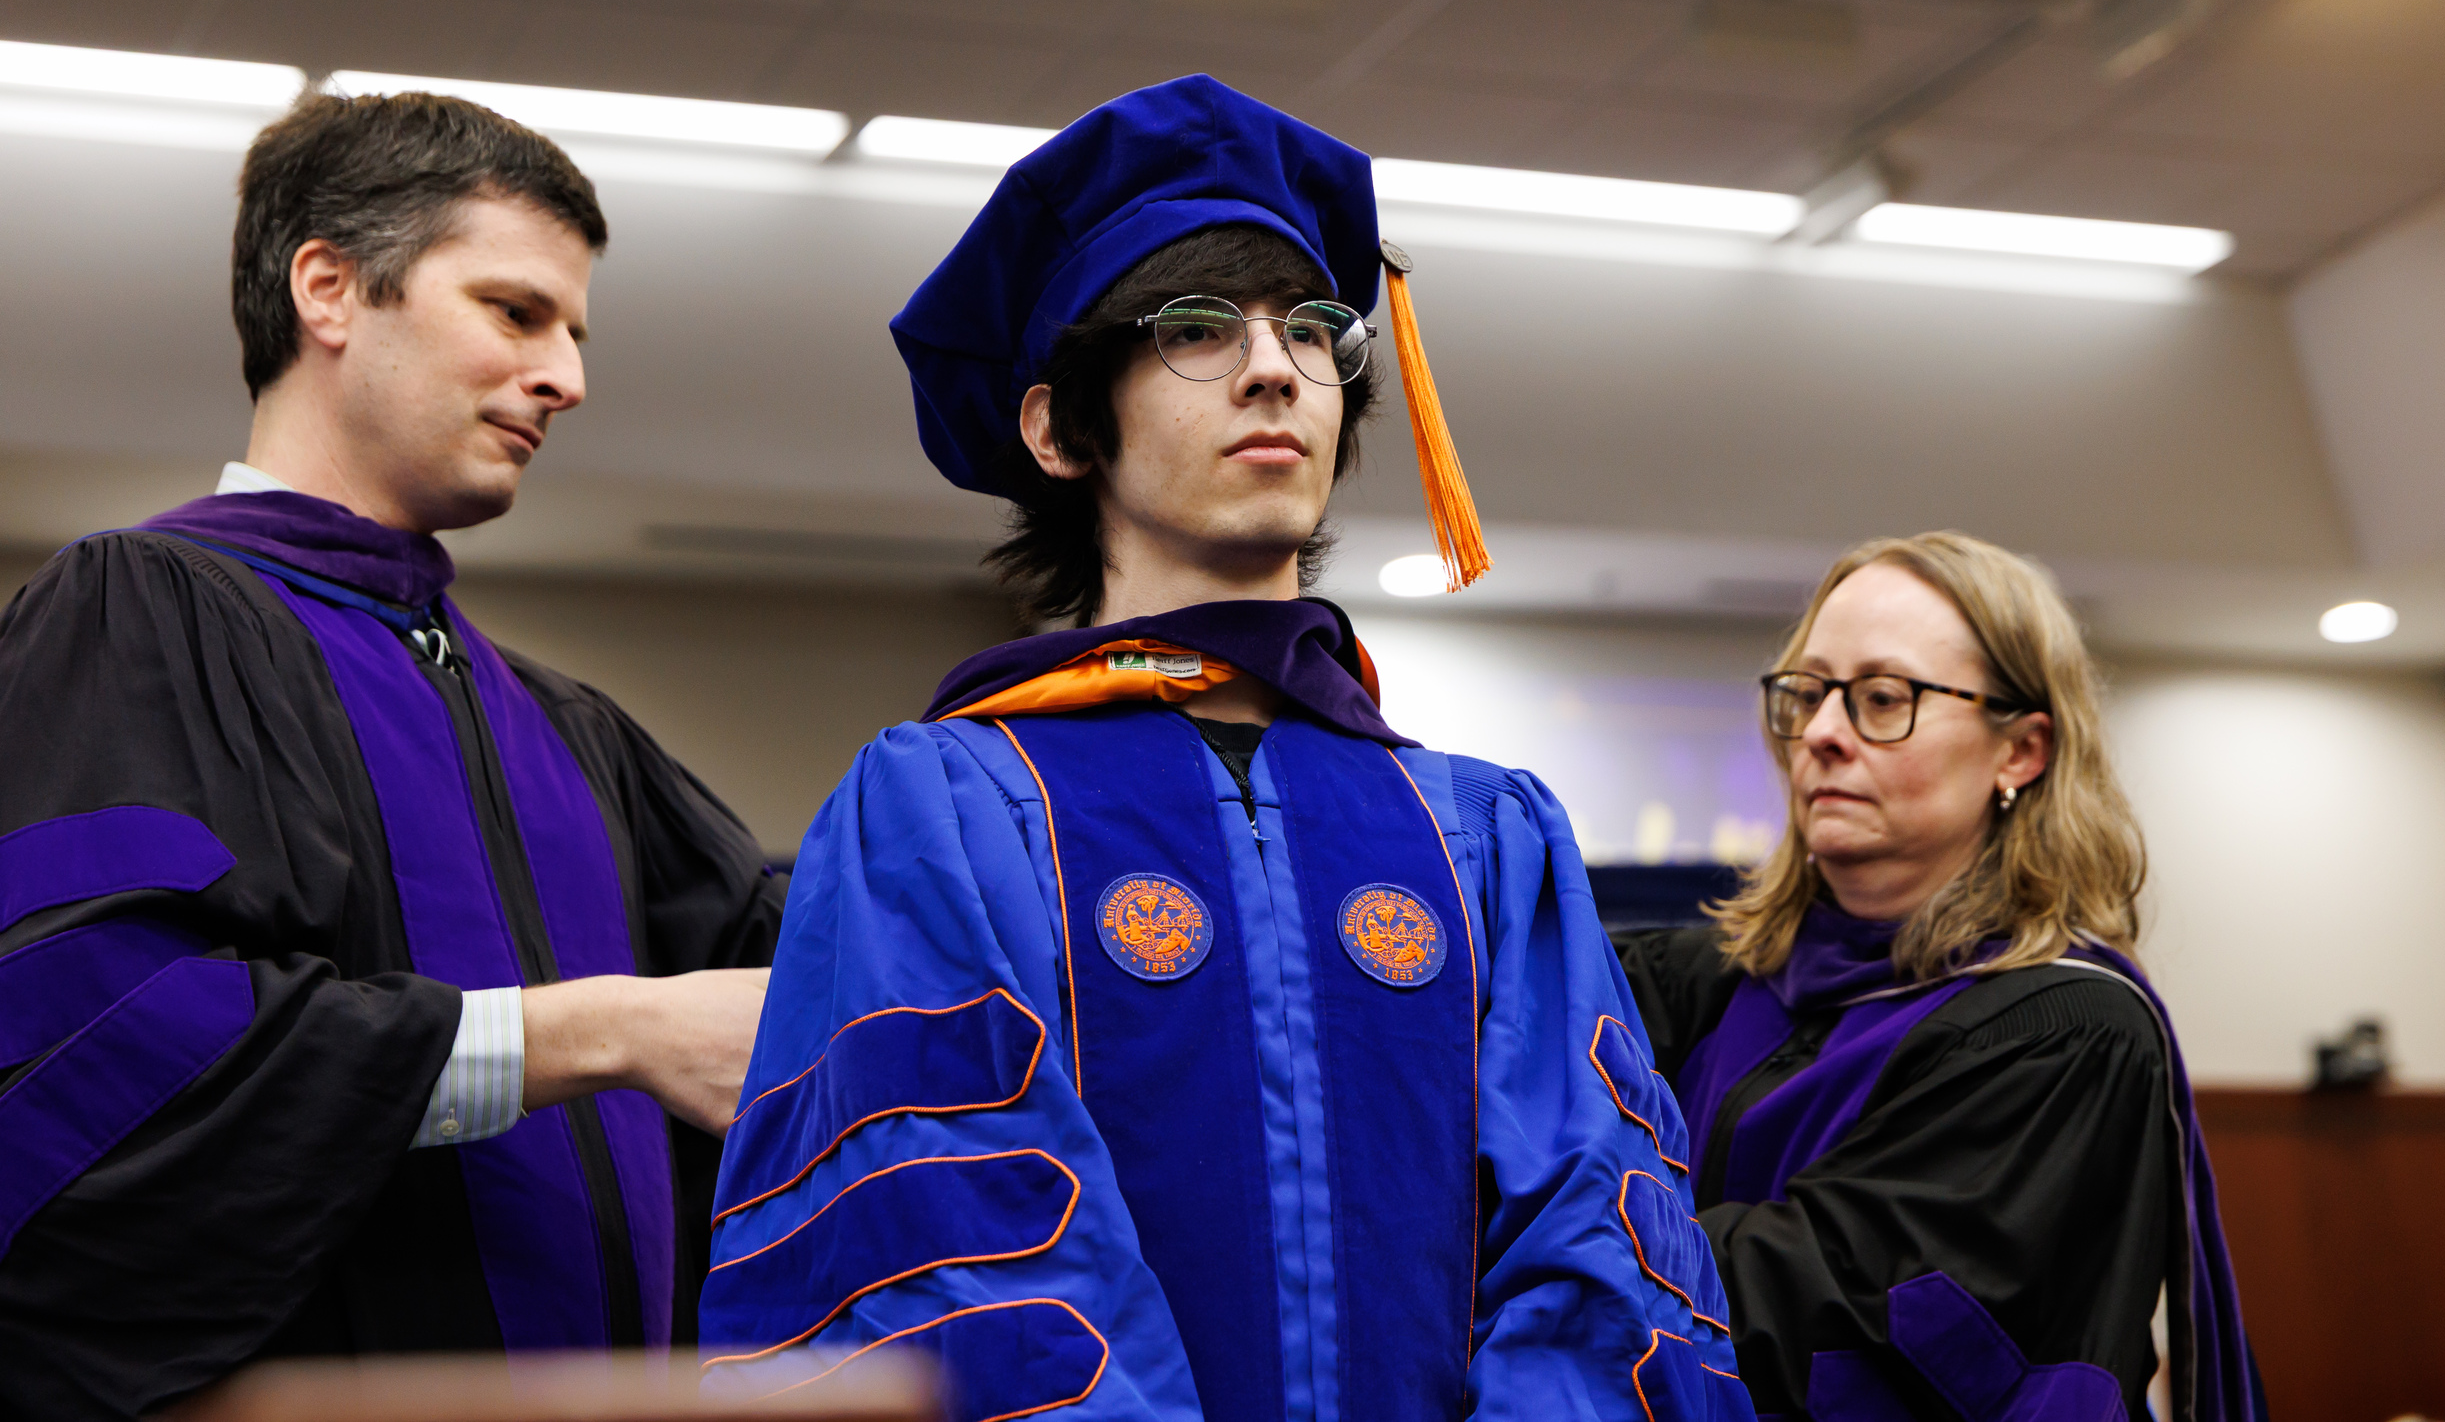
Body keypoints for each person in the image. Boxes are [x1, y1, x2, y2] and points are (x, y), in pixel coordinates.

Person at [698, 76, 1750, 1422]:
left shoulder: (1482, 832)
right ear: (1059, 427)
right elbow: (942, 1243)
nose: (1277, 366)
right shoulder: (952, 804)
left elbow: (1600, 1237)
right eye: (1195, 328)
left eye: (1313, 330)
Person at [0, 92, 782, 1418]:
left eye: (576, 333)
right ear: (330, 288)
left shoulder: (567, 726)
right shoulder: (140, 616)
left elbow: (824, 948)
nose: (569, 378)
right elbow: (95, 1058)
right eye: (518, 312)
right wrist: (606, 1029)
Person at [1615, 532, 2263, 1422]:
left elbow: (1834, 1294)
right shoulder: (1716, 981)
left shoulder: (2066, 1026)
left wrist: (1565, 1240)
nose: (1826, 735)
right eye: (1807, 694)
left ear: (2022, 750)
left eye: (1884, 698)